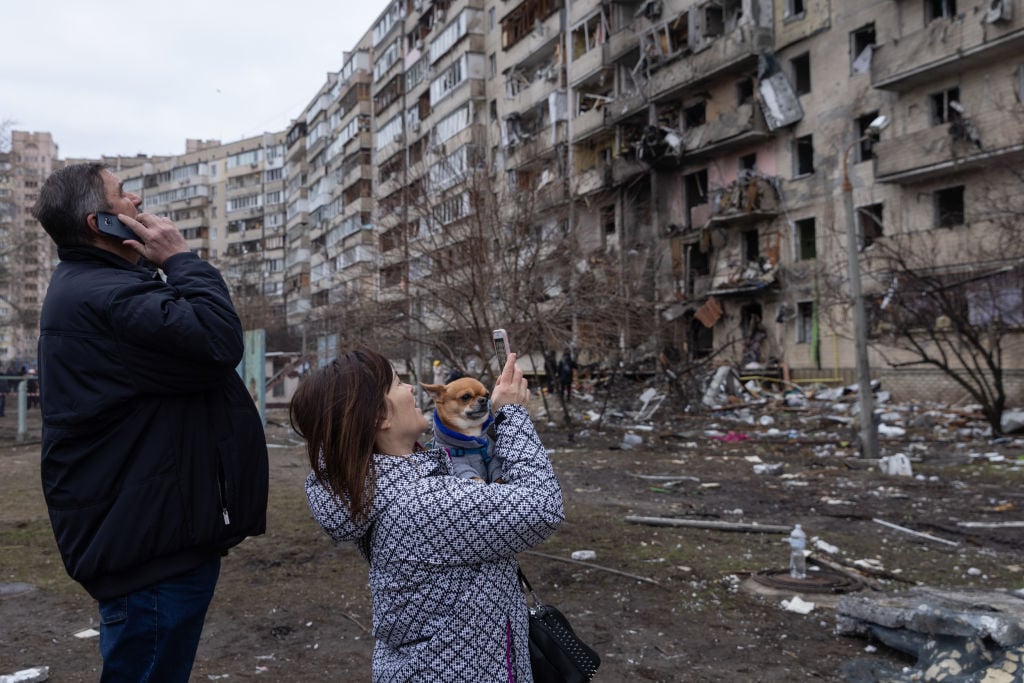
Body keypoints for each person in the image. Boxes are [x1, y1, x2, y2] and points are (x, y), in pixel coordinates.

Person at [32, 163, 269, 681]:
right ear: (101, 223)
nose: (138, 201)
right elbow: (216, 342)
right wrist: (181, 260)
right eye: (123, 195)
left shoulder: (98, 287)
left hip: (146, 534)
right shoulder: (108, 295)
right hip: (148, 546)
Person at [292, 349, 564, 681]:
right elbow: (541, 506)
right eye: (398, 382)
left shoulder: (386, 488)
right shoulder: (420, 503)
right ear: (380, 416)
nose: (410, 389)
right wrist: (512, 414)